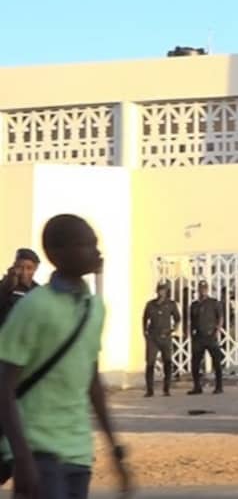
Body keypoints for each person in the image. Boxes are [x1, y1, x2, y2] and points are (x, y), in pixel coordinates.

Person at [0, 214, 133, 499]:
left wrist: (115, 450)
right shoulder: (34, 307)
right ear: (57, 253)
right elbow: (4, 386)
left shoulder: (94, 308)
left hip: (78, 451)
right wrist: (22, 458)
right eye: (86, 245)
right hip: (37, 450)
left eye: (95, 244)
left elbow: (92, 383)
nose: (96, 252)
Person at [142, 279, 180, 397]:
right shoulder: (150, 304)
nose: (161, 292)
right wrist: (145, 332)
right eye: (159, 290)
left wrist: (173, 329)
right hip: (153, 337)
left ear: (166, 291)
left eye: (163, 290)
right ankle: (149, 390)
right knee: (150, 363)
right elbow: (144, 319)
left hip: (165, 337)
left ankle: (166, 389)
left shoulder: (171, 304)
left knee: (167, 362)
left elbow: (177, 318)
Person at [187, 279, 224, 395]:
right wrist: (190, 333)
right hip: (198, 337)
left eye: (205, 288)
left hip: (210, 336)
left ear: (207, 289)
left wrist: (217, 330)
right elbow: (192, 321)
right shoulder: (194, 305)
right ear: (198, 290)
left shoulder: (214, 303)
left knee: (216, 362)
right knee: (195, 363)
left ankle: (219, 386)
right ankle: (197, 387)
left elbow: (220, 317)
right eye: (201, 288)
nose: (203, 290)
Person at [0, 248, 41, 329]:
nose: (24, 272)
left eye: (29, 268)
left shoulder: (38, 292)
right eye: (20, 267)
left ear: (35, 269)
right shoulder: (5, 286)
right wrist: (6, 287)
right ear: (14, 266)